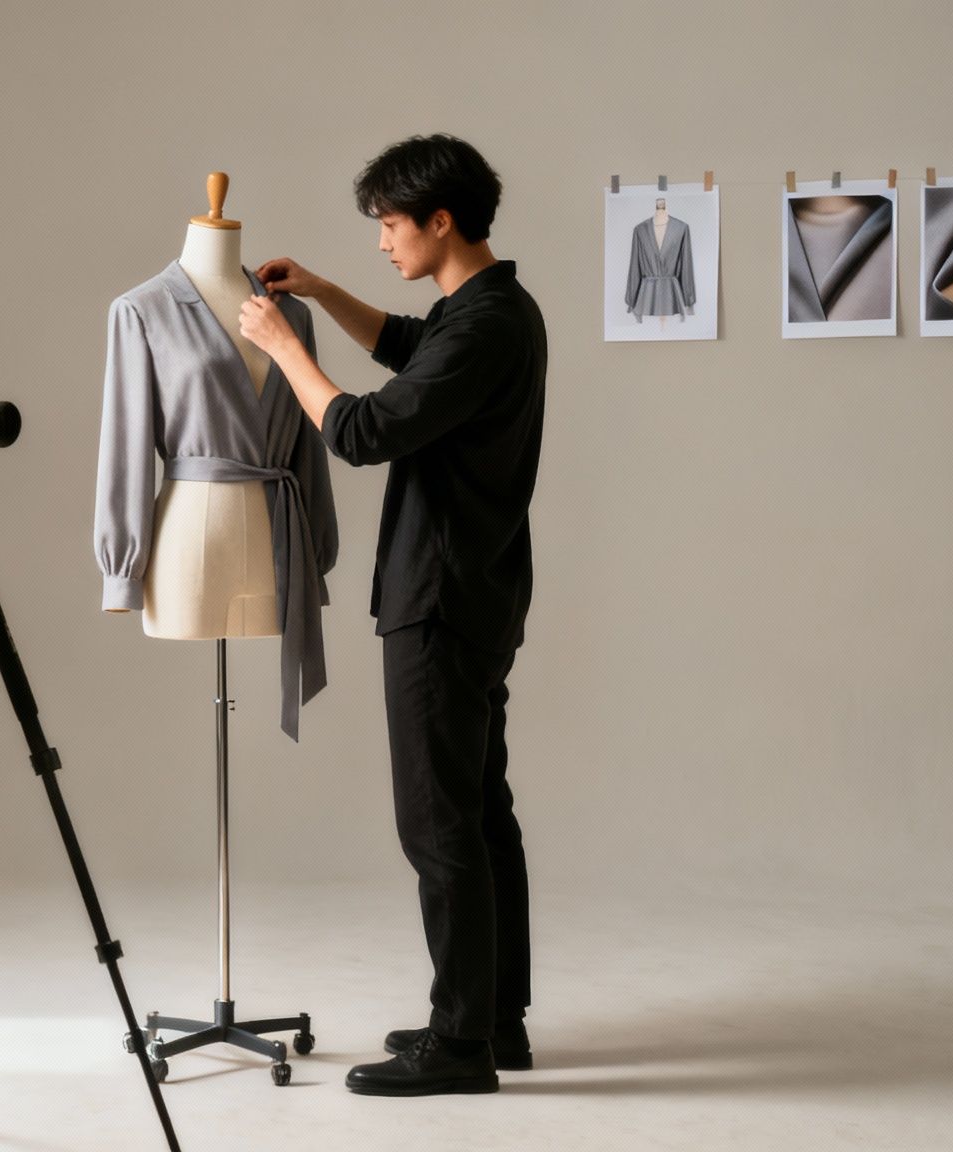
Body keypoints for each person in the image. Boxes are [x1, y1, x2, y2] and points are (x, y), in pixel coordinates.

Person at [236, 133, 547, 1097]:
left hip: (439, 597)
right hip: (476, 589)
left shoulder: (487, 326)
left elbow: (365, 430)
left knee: (437, 822)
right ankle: (493, 1022)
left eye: (388, 224)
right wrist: (324, 294)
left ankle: (460, 1048)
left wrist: (285, 347)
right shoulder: (491, 311)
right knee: (480, 811)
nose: (382, 242)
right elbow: (411, 345)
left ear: (438, 220)